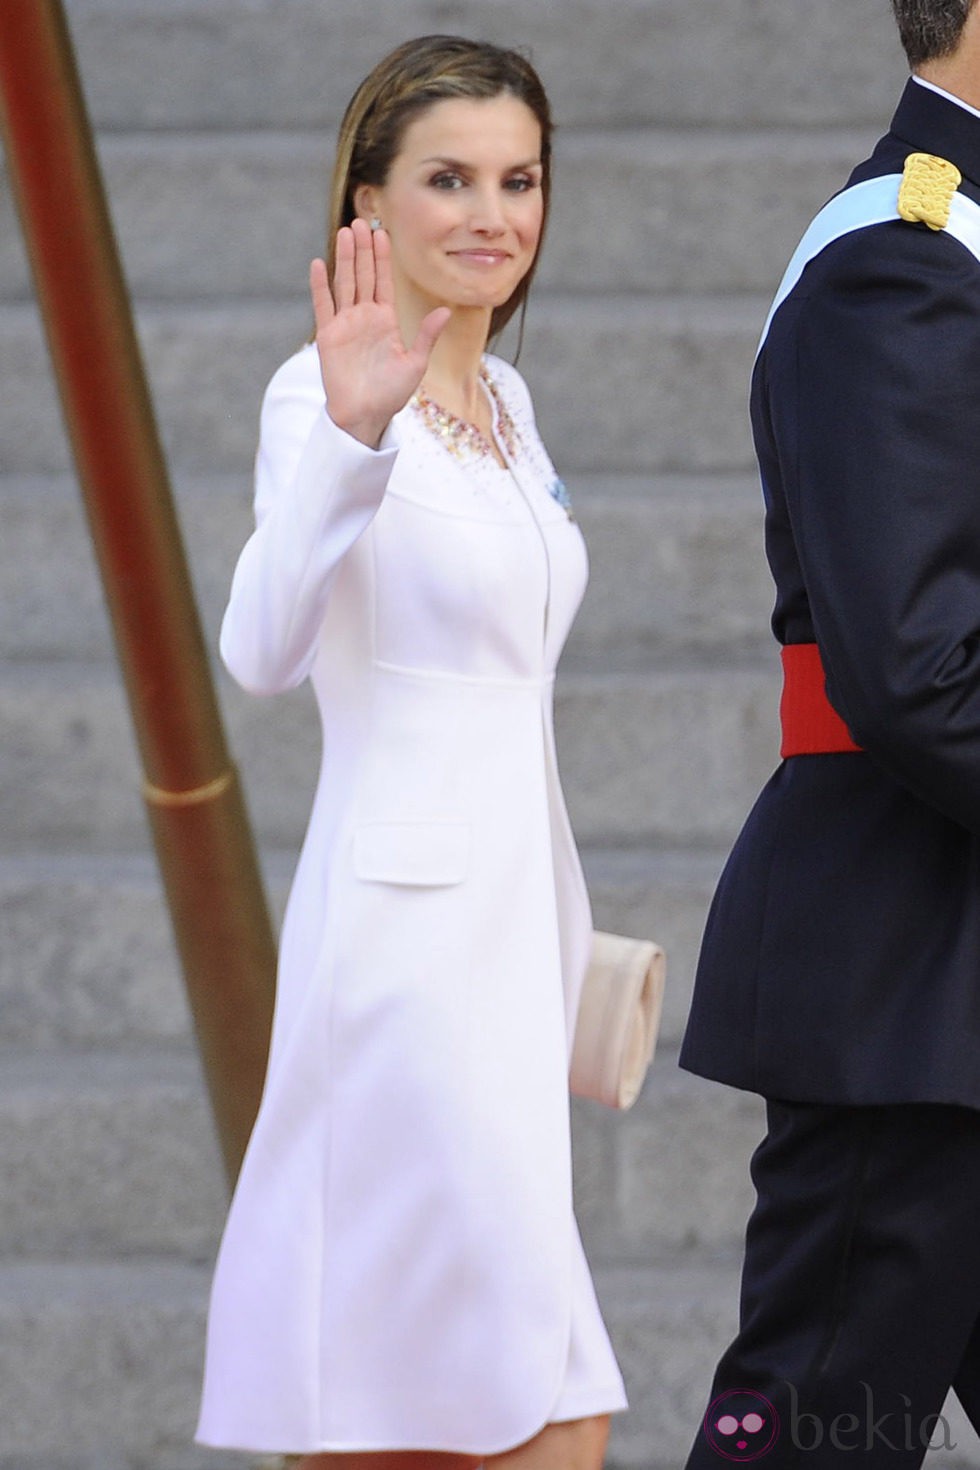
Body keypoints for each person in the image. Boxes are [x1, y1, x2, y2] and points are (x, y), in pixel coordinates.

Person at [194, 34, 627, 1470]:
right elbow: (257, 650)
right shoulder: (311, 400)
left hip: (510, 955)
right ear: (368, 206)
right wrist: (353, 432)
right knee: (496, 1403)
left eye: (520, 178)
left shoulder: (511, 406)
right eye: (449, 179)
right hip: (404, 967)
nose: (493, 212)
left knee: (459, 1403)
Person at [679, 2, 980, 1465]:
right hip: (908, 982)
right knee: (807, 1435)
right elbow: (915, 665)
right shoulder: (904, 251)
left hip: (949, 977)